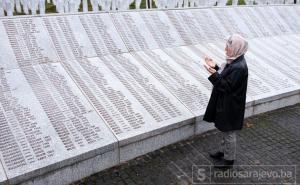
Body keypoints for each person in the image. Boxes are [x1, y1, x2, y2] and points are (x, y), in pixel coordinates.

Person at [203, 34, 249, 170]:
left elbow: (226, 86)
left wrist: (213, 74)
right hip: (228, 104)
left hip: (231, 106)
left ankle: (229, 160)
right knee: (225, 130)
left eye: (228, 47)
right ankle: (223, 152)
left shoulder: (239, 67)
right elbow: (227, 77)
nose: (225, 49)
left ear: (236, 48)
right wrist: (216, 67)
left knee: (229, 133)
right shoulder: (235, 61)